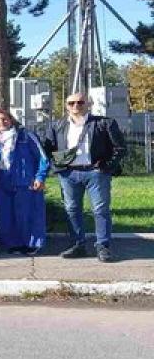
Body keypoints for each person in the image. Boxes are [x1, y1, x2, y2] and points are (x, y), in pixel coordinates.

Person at [43, 92, 127, 262]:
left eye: (80, 102)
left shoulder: (104, 123)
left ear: (88, 104)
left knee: (100, 210)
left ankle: (103, 246)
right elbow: (46, 149)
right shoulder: (57, 126)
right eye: (71, 103)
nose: (76, 106)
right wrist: (58, 168)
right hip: (69, 174)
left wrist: (106, 166)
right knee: (72, 210)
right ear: (66, 105)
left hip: (96, 173)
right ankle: (77, 245)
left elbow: (120, 148)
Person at [0, 109, 49, 255]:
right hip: (3, 180)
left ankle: (31, 244)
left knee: (28, 213)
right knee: (6, 214)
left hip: (24, 180)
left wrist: (40, 177)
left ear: (11, 119)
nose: (1, 122)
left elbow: (43, 158)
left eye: (4, 119)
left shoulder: (26, 136)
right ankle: (12, 243)